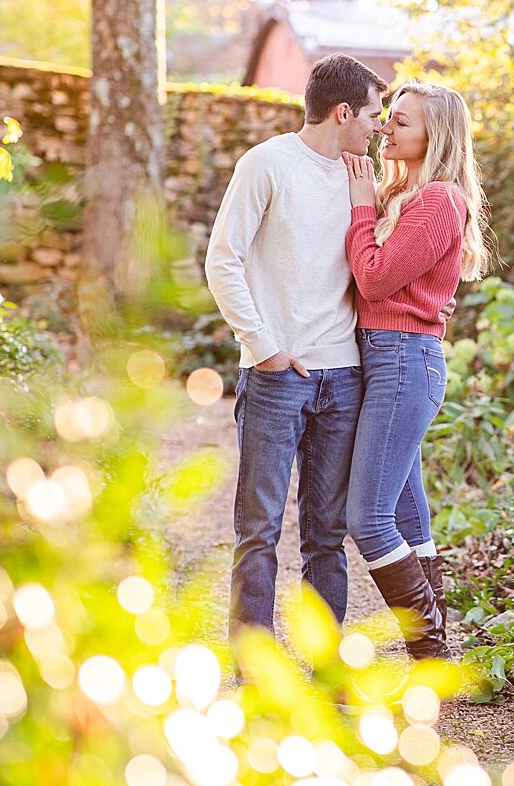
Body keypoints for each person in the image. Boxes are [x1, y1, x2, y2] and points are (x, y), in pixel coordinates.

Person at [204, 53, 386, 640]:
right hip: (276, 377)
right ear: (342, 112)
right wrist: (262, 347)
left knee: (327, 536)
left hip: (345, 377)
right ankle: (253, 665)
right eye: (373, 115)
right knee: (258, 530)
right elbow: (222, 260)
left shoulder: (364, 181)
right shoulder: (266, 165)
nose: (378, 127)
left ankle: (327, 665)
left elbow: (377, 265)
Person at [342, 81, 492, 659]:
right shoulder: (403, 196)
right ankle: (435, 654)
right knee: (405, 512)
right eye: (389, 119)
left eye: (400, 123)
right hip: (389, 359)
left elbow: (375, 279)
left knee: (368, 516)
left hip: (404, 361)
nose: (385, 128)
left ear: (436, 135)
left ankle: (430, 650)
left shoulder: (438, 201)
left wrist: (360, 205)